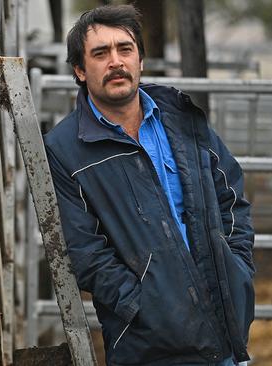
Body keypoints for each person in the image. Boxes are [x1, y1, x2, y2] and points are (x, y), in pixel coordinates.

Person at [44, 5, 255, 366]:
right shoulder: (65, 149)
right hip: (148, 345)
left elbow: (231, 196)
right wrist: (142, 305)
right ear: (80, 70)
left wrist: (237, 269)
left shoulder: (182, 116)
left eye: (125, 49)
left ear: (140, 59)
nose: (116, 61)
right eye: (100, 53)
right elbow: (85, 252)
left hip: (225, 322)